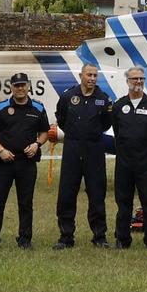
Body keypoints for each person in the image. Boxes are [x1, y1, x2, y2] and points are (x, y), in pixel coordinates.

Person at [0, 73, 49, 249]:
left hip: (27, 163)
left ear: (28, 86)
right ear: (11, 87)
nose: (20, 88)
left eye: (23, 85)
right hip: (4, 162)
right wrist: (1, 150)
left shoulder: (38, 108)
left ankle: (25, 239)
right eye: (16, 85)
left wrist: (37, 144)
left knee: (26, 203)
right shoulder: (1, 107)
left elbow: (44, 132)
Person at [54, 63, 114, 249]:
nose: (92, 78)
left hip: (94, 150)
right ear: (81, 75)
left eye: (95, 75)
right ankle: (66, 237)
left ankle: (99, 236)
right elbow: (61, 119)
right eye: (89, 75)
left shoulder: (103, 99)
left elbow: (106, 123)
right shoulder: (68, 96)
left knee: (97, 194)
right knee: (67, 193)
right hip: (72, 148)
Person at [109, 67, 147, 251]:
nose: (138, 82)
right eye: (134, 79)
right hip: (124, 162)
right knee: (123, 202)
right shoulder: (119, 105)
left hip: (146, 162)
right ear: (127, 81)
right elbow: (117, 132)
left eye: (141, 78)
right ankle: (122, 239)